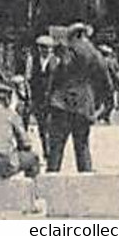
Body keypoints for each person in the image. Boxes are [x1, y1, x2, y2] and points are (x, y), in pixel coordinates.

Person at [46, 22, 111, 173]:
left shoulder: (65, 51)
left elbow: (55, 76)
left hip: (61, 103)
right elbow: (105, 80)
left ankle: (51, 180)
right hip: (84, 104)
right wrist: (101, 102)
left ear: (74, 35)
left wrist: (49, 99)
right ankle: (85, 179)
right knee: (82, 145)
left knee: (56, 146)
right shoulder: (96, 54)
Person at [27, 34, 57, 156]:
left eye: (49, 48)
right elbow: (28, 78)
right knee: (42, 126)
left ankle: (51, 150)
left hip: (52, 98)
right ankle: (46, 150)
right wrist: (30, 95)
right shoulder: (32, 60)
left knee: (51, 125)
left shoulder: (56, 60)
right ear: (39, 48)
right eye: (44, 48)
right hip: (38, 97)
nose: (47, 50)